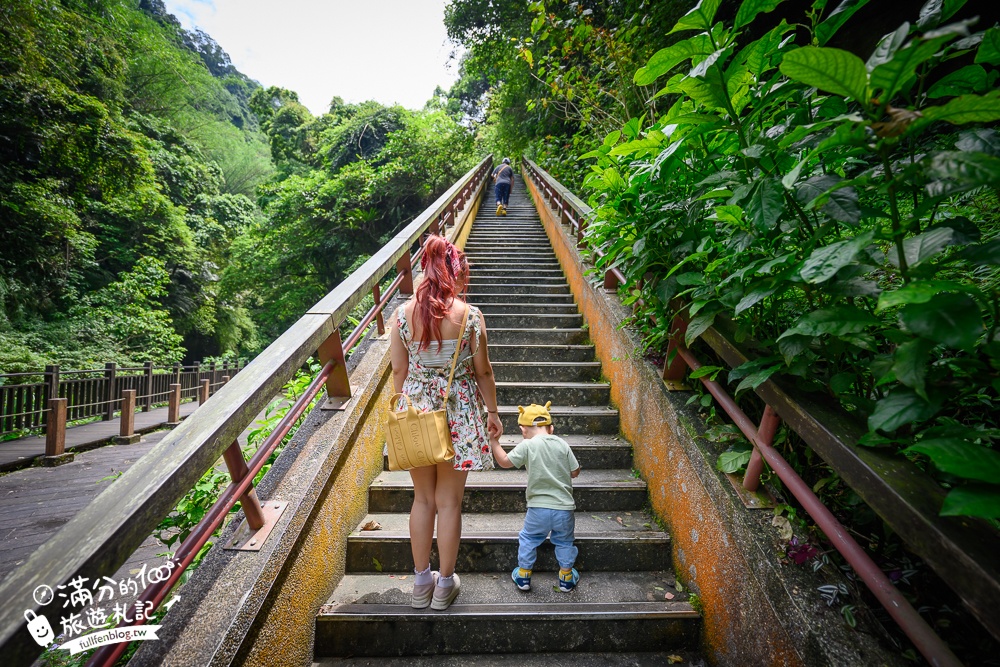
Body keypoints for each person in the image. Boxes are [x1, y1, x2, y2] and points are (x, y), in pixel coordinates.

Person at [390, 235, 504, 610]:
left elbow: (399, 370)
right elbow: (483, 371)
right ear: (457, 274)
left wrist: (405, 406)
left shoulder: (403, 315)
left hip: (418, 411)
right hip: (458, 413)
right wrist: (492, 413)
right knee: (449, 502)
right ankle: (444, 585)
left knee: (422, 499)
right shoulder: (470, 316)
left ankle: (421, 582)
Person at [490, 401, 581, 593]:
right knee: (564, 542)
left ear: (523, 430)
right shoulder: (562, 444)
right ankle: (566, 577)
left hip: (537, 509)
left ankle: (523, 575)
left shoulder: (528, 445)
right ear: (551, 428)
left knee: (529, 538)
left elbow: (505, 462)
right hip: (564, 509)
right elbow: (575, 472)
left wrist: (494, 442)